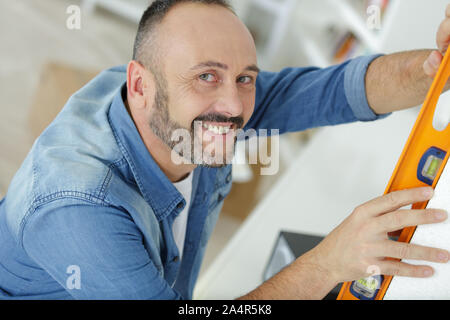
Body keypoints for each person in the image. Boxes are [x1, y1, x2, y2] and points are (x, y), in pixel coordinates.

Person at [0, 0, 449, 300]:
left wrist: (435, 68)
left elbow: (332, 91)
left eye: (245, 78)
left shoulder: (173, 97)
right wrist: (326, 265)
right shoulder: (80, 208)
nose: (235, 107)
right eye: (207, 77)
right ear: (139, 84)